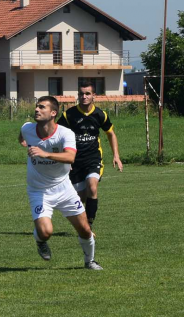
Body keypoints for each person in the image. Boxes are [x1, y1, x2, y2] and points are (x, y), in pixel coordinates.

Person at [18, 96, 102, 270]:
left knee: (85, 230)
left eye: (42, 107)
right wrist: (23, 141)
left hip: (64, 189)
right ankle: (40, 241)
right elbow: (22, 134)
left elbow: (70, 157)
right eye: (36, 106)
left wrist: (45, 154)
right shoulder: (27, 128)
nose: (37, 109)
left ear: (53, 113)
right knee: (45, 232)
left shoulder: (65, 133)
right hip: (38, 191)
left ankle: (90, 261)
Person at [57, 82, 123, 231]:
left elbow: (111, 134)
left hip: (93, 158)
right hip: (75, 161)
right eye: (81, 94)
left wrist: (116, 156)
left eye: (87, 94)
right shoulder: (69, 115)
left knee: (92, 187)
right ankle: (81, 221)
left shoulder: (100, 114)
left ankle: (89, 224)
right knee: (79, 198)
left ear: (94, 96)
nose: (84, 96)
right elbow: (58, 135)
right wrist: (65, 157)